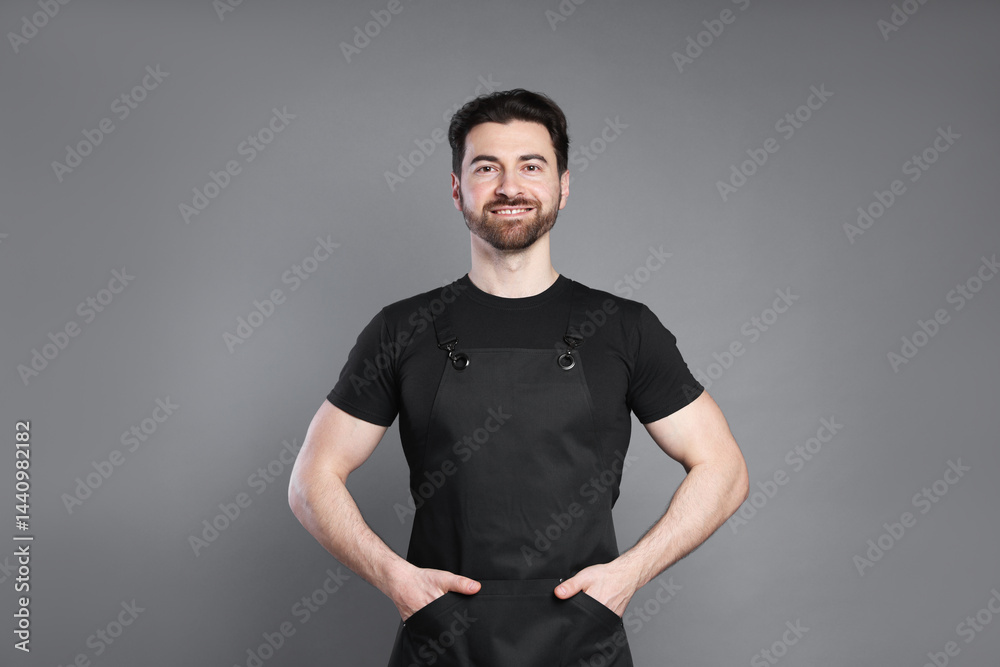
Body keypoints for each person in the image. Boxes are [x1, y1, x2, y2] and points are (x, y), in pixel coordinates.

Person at [288, 89, 749, 666]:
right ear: (457, 189)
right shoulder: (402, 329)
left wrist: (626, 577)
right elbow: (311, 480)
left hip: (580, 639)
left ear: (562, 186)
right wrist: (397, 581)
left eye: (532, 165)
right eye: (487, 168)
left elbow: (724, 470)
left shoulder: (624, 327)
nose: (510, 186)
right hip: (444, 644)